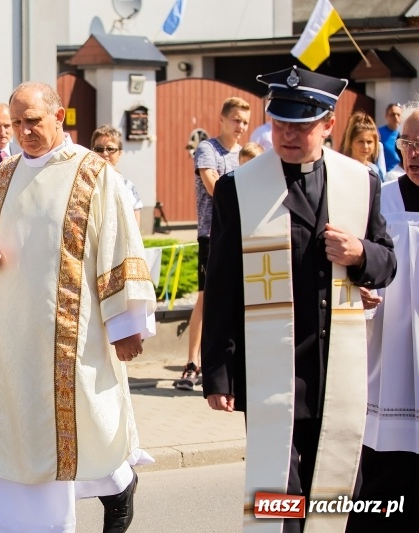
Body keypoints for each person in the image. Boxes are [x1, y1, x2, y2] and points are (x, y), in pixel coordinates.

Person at [0, 82, 157, 533]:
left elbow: (121, 245)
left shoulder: (93, 173)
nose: (23, 132)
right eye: (16, 123)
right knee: (19, 432)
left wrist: (126, 323)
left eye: (33, 122)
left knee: (83, 426)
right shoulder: (1, 178)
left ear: (59, 117)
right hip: (10, 334)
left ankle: (119, 487)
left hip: (73, 334)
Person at [202, 66, 396, 533]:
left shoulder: (360, 181)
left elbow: (386, 263)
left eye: (302, 125)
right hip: (275, 368)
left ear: (328, 124)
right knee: (279, 496)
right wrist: (219, 373)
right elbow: (223, 283)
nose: (288, 134)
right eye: (281, 122)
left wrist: (359, 253)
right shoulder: (239, 188)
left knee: (330, 491)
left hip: (337, 366)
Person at [346, 105, 419, 532]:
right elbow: (355, 262)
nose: (413, 153)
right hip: (385, 352)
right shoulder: (382, 197)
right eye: (408, 143)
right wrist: (356, 287)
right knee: (381, 478)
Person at [175, 96, 250, 391]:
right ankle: (192, 363)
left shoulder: (247, 152)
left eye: (245, 122)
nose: (241, 126)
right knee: (206, 299)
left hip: (242, 234)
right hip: (212, 235)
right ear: (222, 119)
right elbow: (213, 186)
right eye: (236, 120)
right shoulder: (208, 149)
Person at [91, 125, 144, 228]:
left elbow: (135, 225)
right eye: (99, 149)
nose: (105, 153)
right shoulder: (85, 184)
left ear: (119, 153)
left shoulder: (127, 186)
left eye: (110, 149)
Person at [341, 111, 384, 181]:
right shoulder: (342, 168)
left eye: (369, 142)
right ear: (350, 142)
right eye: (360, 141)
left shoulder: (375, 171)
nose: (365, 146)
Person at [378, 103, 402, 172]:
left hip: (403, 174)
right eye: (393, 114)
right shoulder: (378, 133)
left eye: (398, 114)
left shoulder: (405, 133)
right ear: (386, 116)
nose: (396, 117)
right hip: (387, 176)